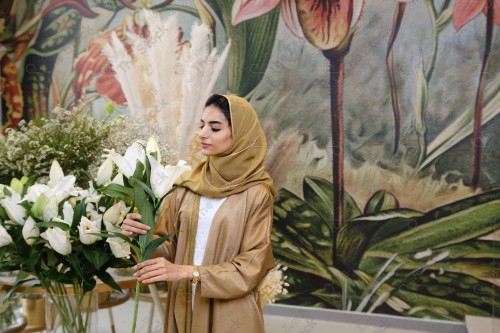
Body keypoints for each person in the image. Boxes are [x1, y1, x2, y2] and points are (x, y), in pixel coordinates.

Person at [122, 94, 276, 333]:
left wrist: (188, 272)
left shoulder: (257, 193)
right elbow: (168, 251)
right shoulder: (187, 184)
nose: (202, 133)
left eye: (215, 128)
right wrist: (139, 237)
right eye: (202, 125)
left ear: (241, 135)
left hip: (231, 316)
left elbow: (251, 267)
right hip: (184, 308)